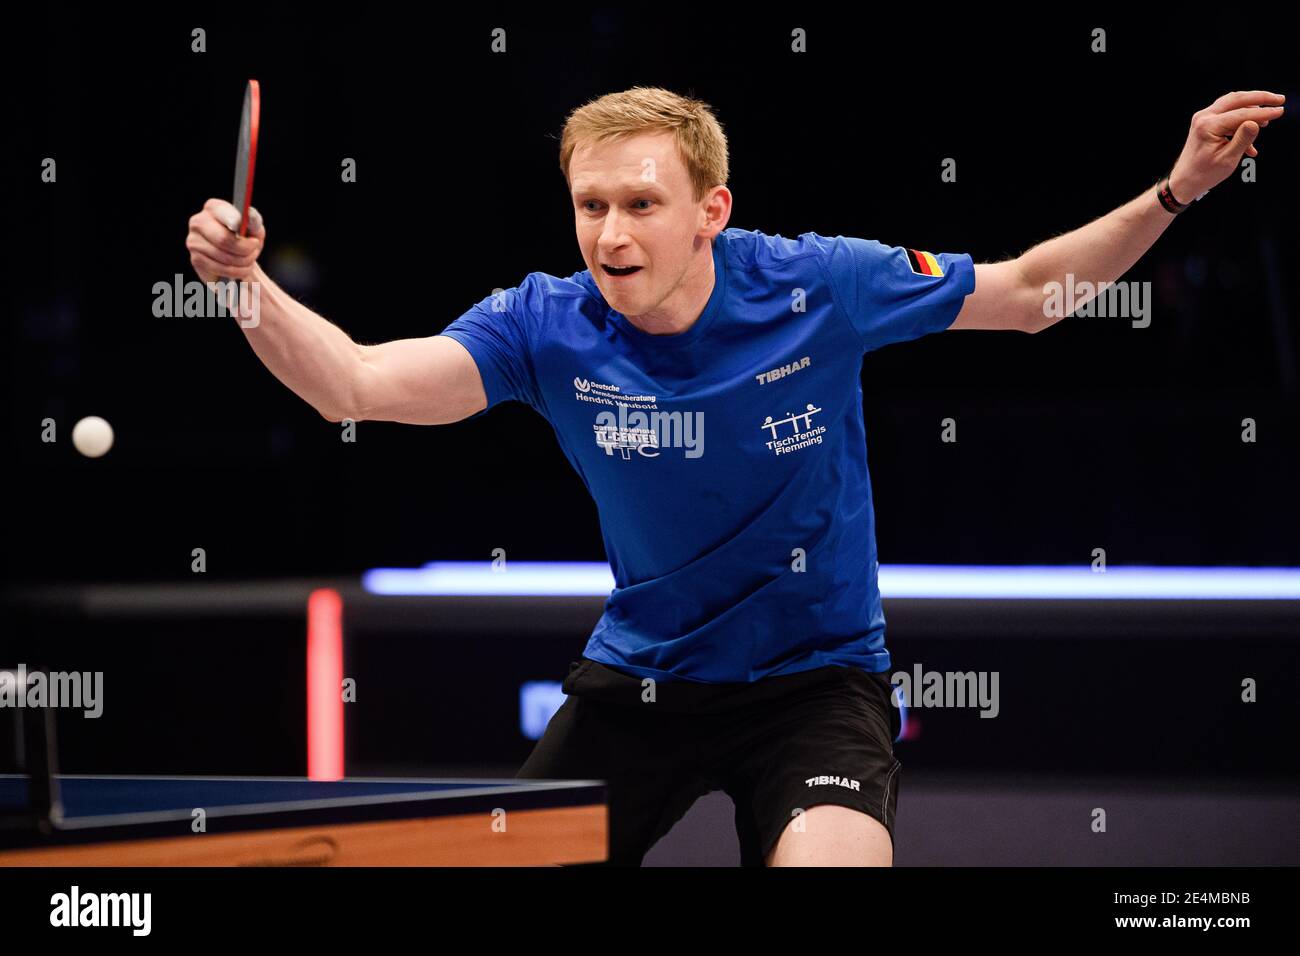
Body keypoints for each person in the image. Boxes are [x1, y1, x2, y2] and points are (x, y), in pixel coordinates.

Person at [186, 85, 1283, 866]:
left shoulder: (815, 283)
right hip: (642, 683)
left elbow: (1034, 293)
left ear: (710, 209)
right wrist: (246, 287)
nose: (609, 232)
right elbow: (354, 385)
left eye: (641, 204)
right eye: (589, 205)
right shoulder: (542, 324)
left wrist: (1175, 191)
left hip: (816, 684)